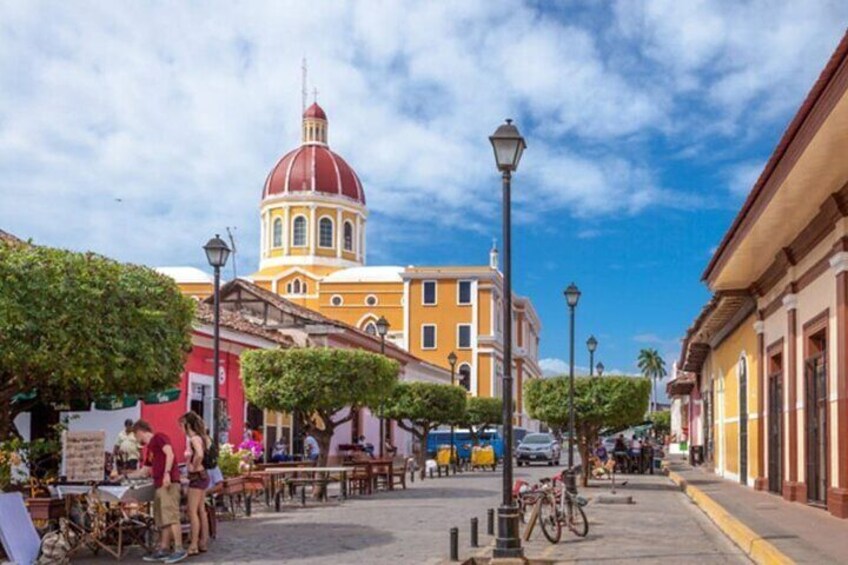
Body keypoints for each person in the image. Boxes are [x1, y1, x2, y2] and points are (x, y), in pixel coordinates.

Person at [123, 420, 186, 564]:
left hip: (168, 483)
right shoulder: (150, 449)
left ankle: (179, 548)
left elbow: (169, 453)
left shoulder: (159, 437)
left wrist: (167, 473)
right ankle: (164, 548)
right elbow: (144, 470)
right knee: (162, 518)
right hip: (158, 485)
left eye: (135, 435)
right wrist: (125, 476)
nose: (136, 439)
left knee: (171, 515)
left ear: (140, 431)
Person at [179, 412, 210, 556]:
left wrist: (193, 466)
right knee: (200, 510)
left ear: (187, 425)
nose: (180, 428)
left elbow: (200, 454)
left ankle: (193, 544)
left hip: (197, 477)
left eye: (181, 425)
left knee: (192, 512)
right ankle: (203, 541)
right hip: (203, 476)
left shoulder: (194, 439)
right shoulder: (202, 437)